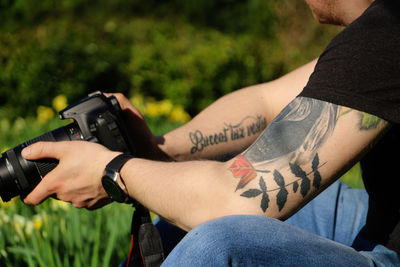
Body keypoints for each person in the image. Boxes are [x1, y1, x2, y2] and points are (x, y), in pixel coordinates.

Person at [22, 0, 400, 265]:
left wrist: (115, 171)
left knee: (219, 241)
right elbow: (267, 103)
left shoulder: (389, 31)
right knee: (199, 185)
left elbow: (235, 202)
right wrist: (157, 149)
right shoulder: (377, 31)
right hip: (378, 216)